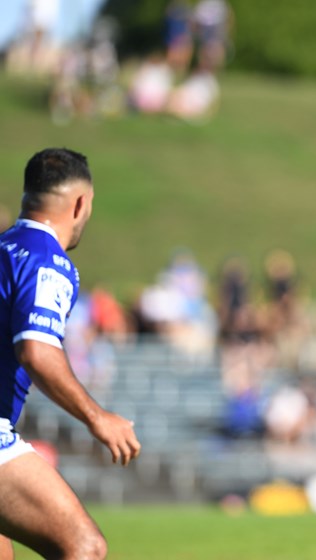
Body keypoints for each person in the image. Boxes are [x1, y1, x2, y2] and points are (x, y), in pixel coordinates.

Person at [0, 148, 141, 559]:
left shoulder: (5, 249)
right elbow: (36, 349)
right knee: (84, 547)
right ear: (80, 204)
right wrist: (98, 417)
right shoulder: (47, 262)